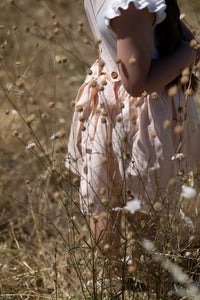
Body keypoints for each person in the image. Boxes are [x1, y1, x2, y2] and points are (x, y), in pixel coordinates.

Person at [66, 0, 200, 292]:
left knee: (108, 194)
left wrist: (185, 40)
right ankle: (152, 282)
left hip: (108, 100)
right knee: (144, 198)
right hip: (139, 113)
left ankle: (111, 279)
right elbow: (138, 83)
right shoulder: (131, 5)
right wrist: (187, 55)